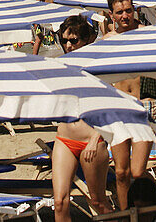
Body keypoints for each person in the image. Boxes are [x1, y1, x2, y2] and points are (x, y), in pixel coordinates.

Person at [52, 16, 113, 222]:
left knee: (97, 201)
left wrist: (96, 139)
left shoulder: (97, 68)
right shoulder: (59, 66)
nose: (68, 45)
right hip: (64, 139)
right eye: (64, 40)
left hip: (92, 140)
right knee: (60, 202)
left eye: (74, 40)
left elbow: (110, 107)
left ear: (87, 40)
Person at [104, 0, 156, 208]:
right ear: (112, 15)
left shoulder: (146, 34)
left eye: (129, 10)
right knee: (120, 172)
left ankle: (155, 201)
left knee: (137, 171)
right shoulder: (108, 41)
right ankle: (126, 213)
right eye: (120, 12)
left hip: (142, 106)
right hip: (117, 108)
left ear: (134, 9)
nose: (125, 16)